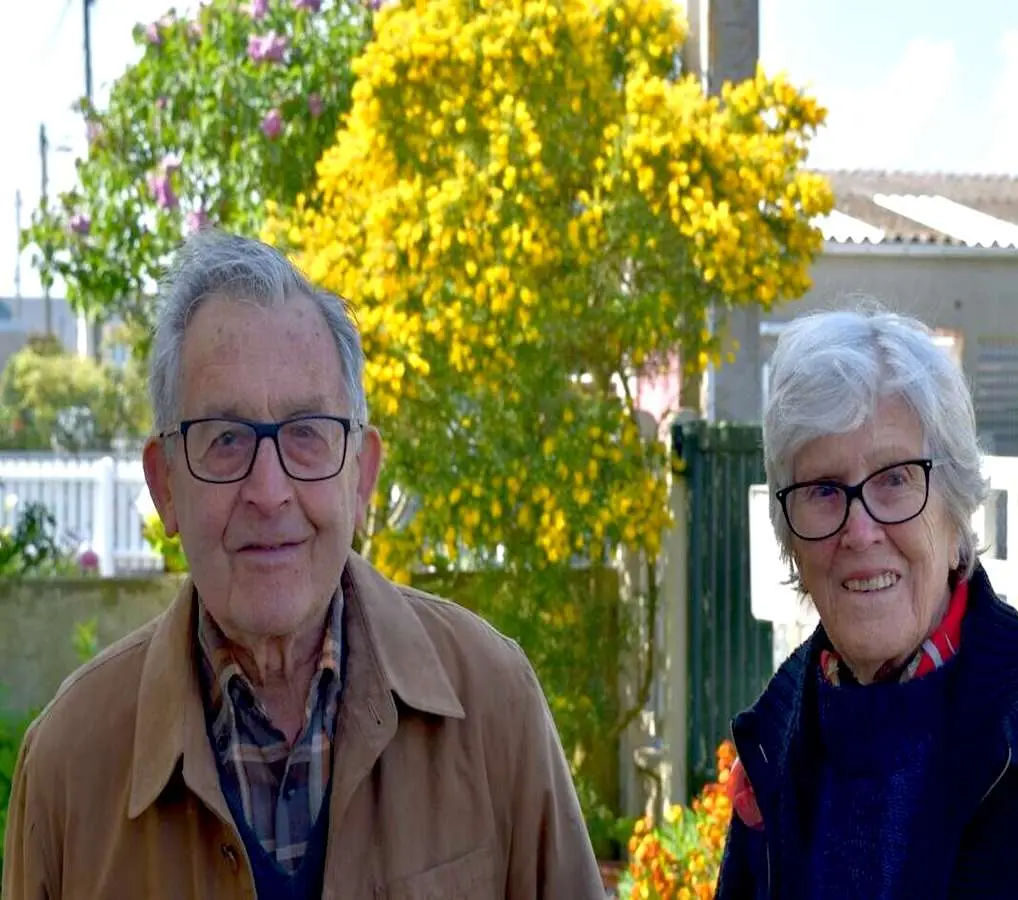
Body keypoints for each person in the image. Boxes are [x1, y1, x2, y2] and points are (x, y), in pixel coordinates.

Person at [3, 230, 606, 899]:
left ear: (362, 473)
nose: (269, 491)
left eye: (307, 435)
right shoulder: (67, 766)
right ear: (165, 485)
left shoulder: (494, 704)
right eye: (225, 439)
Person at [715, 307, 1018, 898]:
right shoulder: (774, 744)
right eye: (824, 490)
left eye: (896, 479)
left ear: (955, 510)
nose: (860, 530)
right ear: (790, 534)